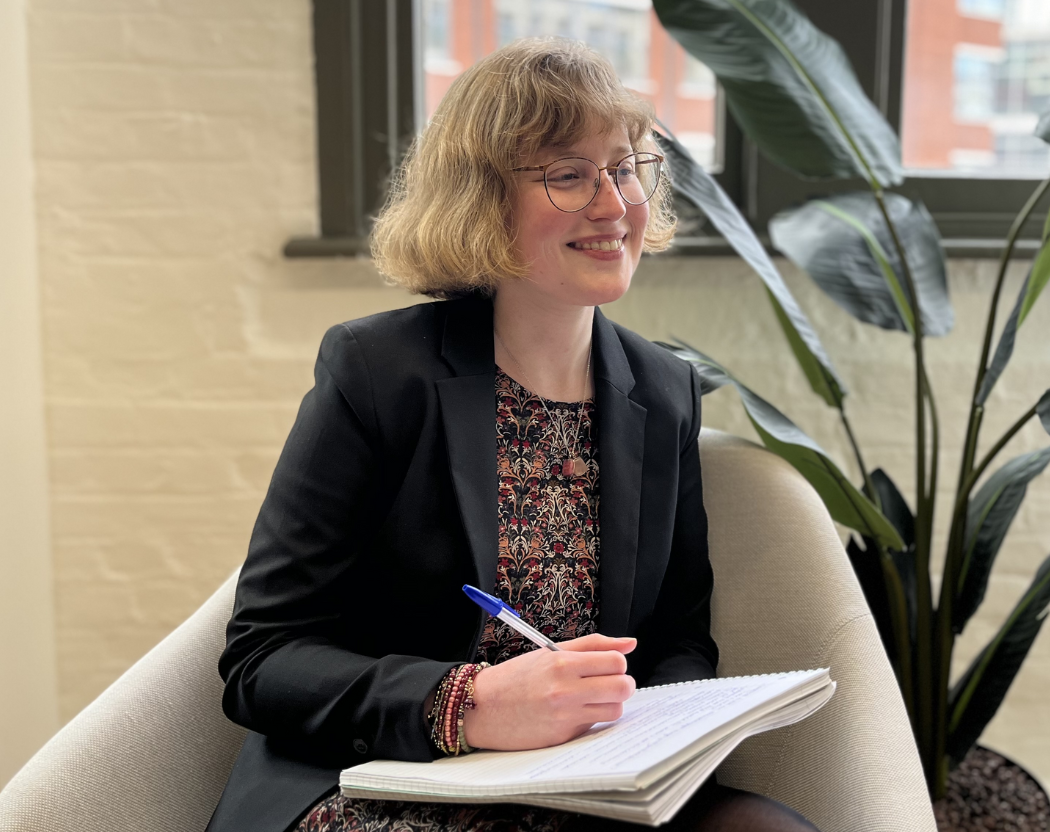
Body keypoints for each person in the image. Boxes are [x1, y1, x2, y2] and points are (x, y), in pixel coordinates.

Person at [204, 38, 822, 832]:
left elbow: (675, 638)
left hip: (585, 783)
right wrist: (467, 703)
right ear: (481, 200)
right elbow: (263, 657)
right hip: (394, 780)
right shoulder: (377, 371)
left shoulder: (663, 391)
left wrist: (645, 728)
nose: (613, 204)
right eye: (568, 175)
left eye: (626, 168)